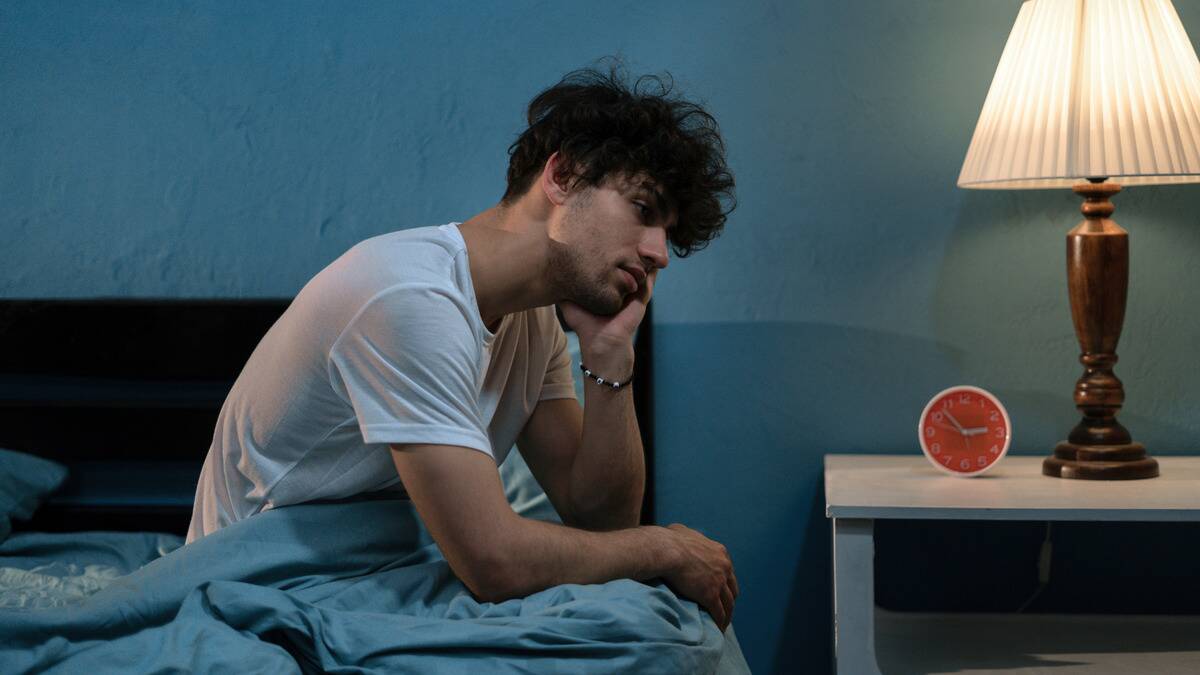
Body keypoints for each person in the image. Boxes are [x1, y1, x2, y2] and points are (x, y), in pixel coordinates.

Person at [187, 64, 739, 630]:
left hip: (370, 582)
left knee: (654, 631)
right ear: (563, 176)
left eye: (667, 234)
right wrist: (663, 548)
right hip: (262, 586)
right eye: (644, 212)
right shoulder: (408, 298)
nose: (659, 254)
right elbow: (493, 562)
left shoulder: (534, 325)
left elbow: (602, 518)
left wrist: (611, 352)